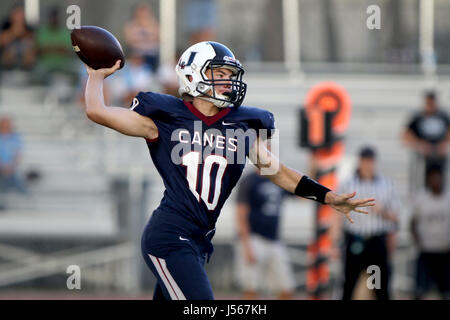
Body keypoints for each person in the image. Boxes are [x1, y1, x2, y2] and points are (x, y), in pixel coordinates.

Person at [83, 41, 375, 300]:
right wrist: (96, 75)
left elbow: (279, 173)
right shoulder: (164, 118)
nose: (227, 81)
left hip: (198, 241)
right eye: (219, 74)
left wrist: (327, 197)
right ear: (192, 74)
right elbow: (98, 111)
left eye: (230, 75)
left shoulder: (241, 127)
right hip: (170, 236)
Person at [333, 146, 400, 300]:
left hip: (376, 242)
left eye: (370, 161)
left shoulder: (386, 185)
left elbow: (395, 216)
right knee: (349, 283)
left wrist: (382, 211)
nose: (368, 165)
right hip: (354, 240)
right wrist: (334, 242)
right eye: (365, 161)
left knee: (378, 286)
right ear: (359, 162)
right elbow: (336, 214)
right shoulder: (347, 184)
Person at [235, 168, 295, 300]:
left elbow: (300, 191)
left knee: (286, 287)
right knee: (252, 288)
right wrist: (246, 245)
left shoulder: (278, 178)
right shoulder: (249, 181)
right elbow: (241, 214)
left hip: (274, 239)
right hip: (254, 238)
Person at [410, 165, 450, 300]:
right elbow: (413, 222)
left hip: (445, 252)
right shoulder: (421, 198)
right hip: (426, 251)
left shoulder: (448, 197)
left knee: (446, 291)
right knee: (419, 290)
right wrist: (418, 241)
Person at [402, 91, 450, 187]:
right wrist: (419, 145)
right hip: (422, 157)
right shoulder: (418, 117)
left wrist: (444, 144)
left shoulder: (442, 116)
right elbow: (405, 135)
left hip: (439, 156)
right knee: (420, 178)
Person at [34, 7, 76, 84]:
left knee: (76, 72)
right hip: (46, 64)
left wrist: (49, 48)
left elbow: (67, 51)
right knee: (38, 74)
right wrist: (57, 48)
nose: (54, 19)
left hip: (63, 64)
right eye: (52, 17)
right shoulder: (42, 32)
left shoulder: (64, 32)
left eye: (55, 17)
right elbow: (39, 50)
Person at [124, 3, 160, 72]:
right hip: (137, 55)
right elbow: (129, 40)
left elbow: (158, 38)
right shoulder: (131, 25)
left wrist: (140, 38)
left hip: (151, 55)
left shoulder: (154, 24)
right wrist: (148, 38)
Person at [0, 5, 35, 70]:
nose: (19, 17)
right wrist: (13, 33)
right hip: (8, 63)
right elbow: (2, 40)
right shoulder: (5, 27)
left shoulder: (29, 29)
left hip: (25, 62)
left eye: (20, 15)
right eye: (17, 14)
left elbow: (32, 42)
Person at [0, 116, 27, 194]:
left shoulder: (15, 137)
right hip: (1, 167)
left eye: (8, 124)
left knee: (12, 176)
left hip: (11, 167)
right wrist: (2, 166)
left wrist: (11, 166)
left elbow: (18, 153)